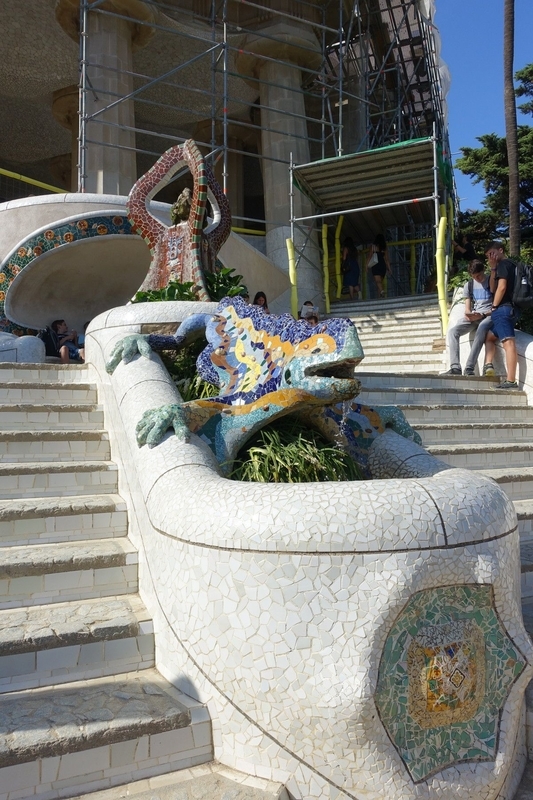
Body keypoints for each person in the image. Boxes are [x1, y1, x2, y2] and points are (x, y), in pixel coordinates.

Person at [443, 260, 493, 376]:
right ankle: (455, 367)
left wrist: (483, 314)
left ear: (483, 270)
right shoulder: (469, 285)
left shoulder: (492, 282)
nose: (477, 278)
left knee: (481, 329)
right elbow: (467, 308)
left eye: (479, 275)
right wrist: (468, 315)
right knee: (452, 332)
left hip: (488, 316)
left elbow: (497, 307)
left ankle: (469, 368)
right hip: (475, 316)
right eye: (474, 276)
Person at [482, 242, 518, 390]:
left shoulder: (504, 264)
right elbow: (492, 287)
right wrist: (492, 268)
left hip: (503, 309)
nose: (490, 257)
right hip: (510, 309)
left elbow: (501, 288)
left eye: (492, 253)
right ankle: (488, 364)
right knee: (490, 336)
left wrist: (494, 306)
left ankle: (511, 381)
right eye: (488, 256)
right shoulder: (505, 266)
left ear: (500, 250)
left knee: (508, 343)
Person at [367, 234, 391, 298]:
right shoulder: (384, 248)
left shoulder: (373, 247)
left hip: (376, 265)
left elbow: (369, 257)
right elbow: (387, 259)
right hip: (382, 266)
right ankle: (379, 297)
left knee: (378, 281)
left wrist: (366, 266)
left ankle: (382, 291)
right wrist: (389, 269)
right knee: (380, 282)